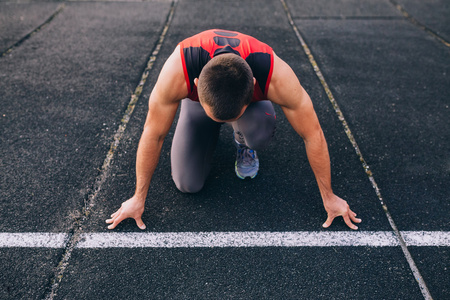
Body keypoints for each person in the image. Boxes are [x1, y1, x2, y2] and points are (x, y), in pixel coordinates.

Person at [106, 29, 361, 230]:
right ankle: (208, 123)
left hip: (245, 108)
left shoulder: (275, 75)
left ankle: (242, 139)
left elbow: (312, 133)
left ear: (253, 85)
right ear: (194, 85)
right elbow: (154, 133)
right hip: (203, 104)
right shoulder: (178, 71)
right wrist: (138, 197)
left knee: (259, 131)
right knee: (187, 183)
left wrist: (329, 196)